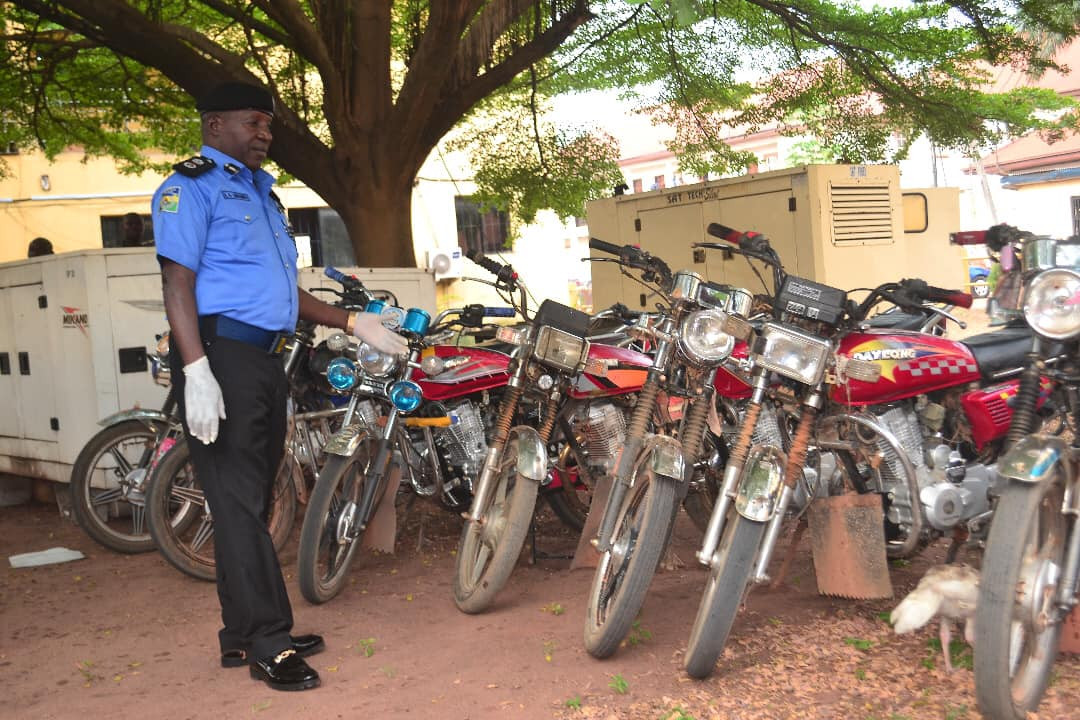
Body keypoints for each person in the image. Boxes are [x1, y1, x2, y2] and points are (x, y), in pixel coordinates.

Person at [152, 81, 407, 692]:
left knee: (254, 498)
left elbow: (283, 294)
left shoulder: (264, 196)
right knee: (238, 504)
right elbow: (177, 287)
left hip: (267, 361)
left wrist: (351, 321)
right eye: (254, 123)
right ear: (215, 125)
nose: (266, 134)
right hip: (221, 357)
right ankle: (269, 639)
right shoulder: (188, 188)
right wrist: (196, 371)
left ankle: (240, 633)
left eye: (268, 125)